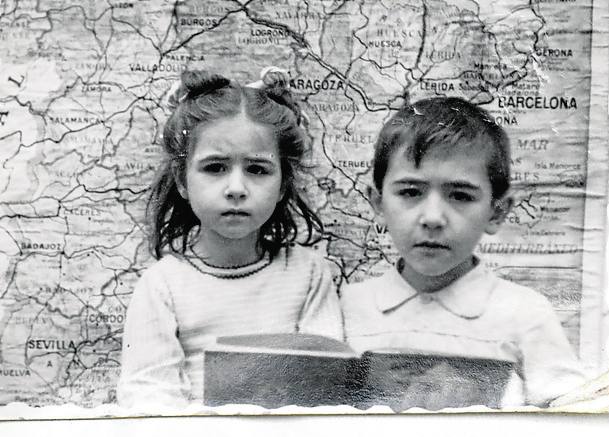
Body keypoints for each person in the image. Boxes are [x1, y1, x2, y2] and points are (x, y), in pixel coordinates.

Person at [117, 68, 344, 407]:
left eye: (257, 169)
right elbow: (148, 397)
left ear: (282, 184)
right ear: (182, 180)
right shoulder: (163, 285)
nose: (236, 188)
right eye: (215, 168)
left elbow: (325, 387)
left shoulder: (308, 274)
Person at [340, 97, 585, 408]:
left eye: (460, 195)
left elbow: (574, 416)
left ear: (497, 212)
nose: (432, 218)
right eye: (410, 192)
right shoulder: (348, 307)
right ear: (377, 204)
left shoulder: (525, 314)